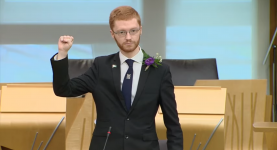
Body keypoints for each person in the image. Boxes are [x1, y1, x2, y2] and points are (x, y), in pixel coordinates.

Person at [50, 6, 183, 150]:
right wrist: (62, 54)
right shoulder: (101, 66)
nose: (128, 37)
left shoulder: (159, 71)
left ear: (141, 30)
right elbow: (64, 89)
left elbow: (173, 124)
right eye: (121, 32)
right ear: (112, 34)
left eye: (133, 31)